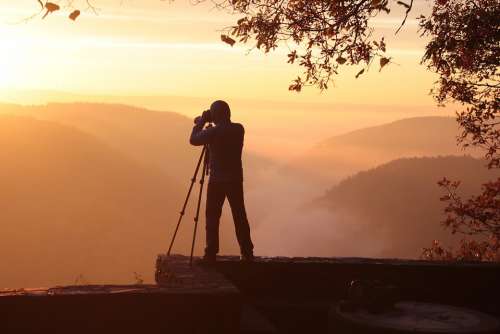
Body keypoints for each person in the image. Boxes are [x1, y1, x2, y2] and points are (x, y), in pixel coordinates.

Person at [190, 100, 254, 263]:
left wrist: (202, 122)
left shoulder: (213, 132)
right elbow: (222, 132)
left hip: (217, 181)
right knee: (239, 215)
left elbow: (193, 140)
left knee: (212, 216)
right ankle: (247, 252)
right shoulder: (239, 129)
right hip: (235, 179)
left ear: (215, 114)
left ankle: (210, 253)